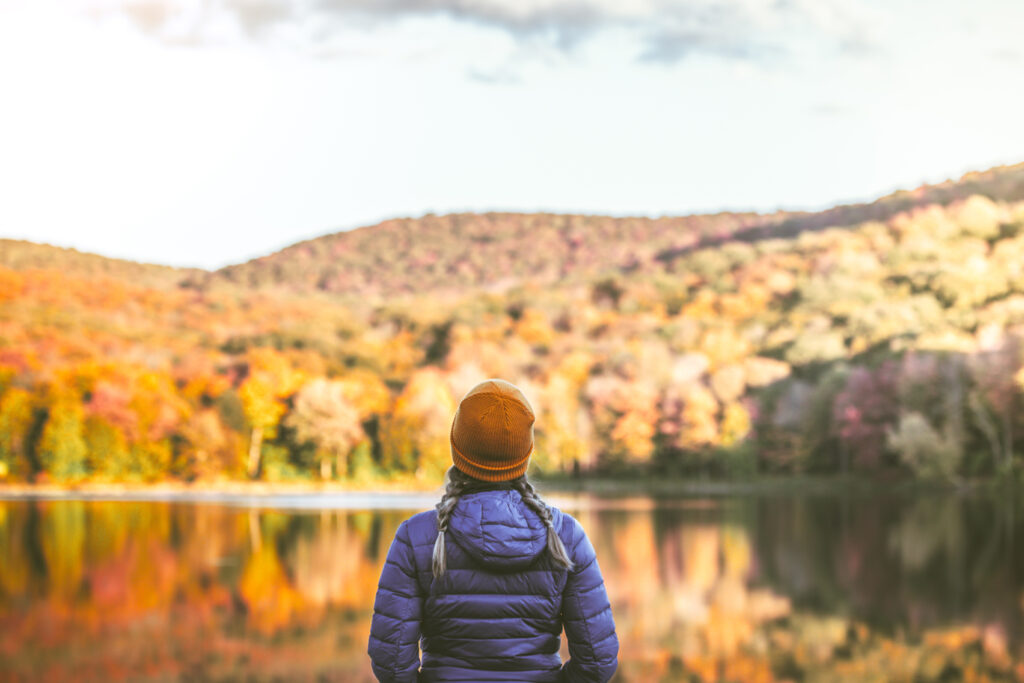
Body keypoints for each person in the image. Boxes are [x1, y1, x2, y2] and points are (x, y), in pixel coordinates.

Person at [367, 379, 619, 682]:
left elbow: (391, 662)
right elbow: (597, 661)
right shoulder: (566, 535)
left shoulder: (417, 537)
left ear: (458, 449)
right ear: (525, 453)